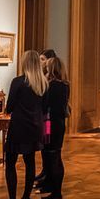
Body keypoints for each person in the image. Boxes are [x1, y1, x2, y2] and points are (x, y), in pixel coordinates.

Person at [3, 50, 47, 199]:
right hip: (36, 126)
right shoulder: (43, 83)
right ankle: (25, 198)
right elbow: (44, 108)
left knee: (10, 163)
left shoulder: (18, 82)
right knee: (30, 163)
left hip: (19, 126)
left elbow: (10, 106)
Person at [36, 56, 69, 199]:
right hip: (58, 123)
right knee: (53, 155)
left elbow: (45, 105)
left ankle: (56, 193)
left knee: (53, 155)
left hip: (51, 123)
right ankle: (52, 187)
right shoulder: (64, 84)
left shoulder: (53, 86)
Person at [32, 48, 60, 190]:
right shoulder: (44, 78)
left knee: (51, 150)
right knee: (45, 148)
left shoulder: (55, 83)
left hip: (50, 120)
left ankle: (50, 179)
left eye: (43, 60)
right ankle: (46, 173)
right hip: (46, 120)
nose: (40, 63)